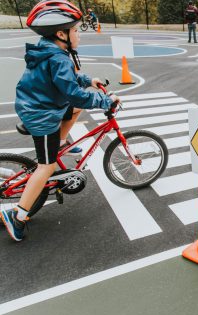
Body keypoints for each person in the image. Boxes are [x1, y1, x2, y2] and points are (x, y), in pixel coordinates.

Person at [1, 0, 119, 242]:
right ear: (61, 33)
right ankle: (18, 216)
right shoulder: (59, 58)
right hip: (41, 115)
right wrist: (105, 101)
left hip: (40, 105)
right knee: (46, 166)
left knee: (74, 109)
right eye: (75, 30)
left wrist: (88, 79)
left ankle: (61, 142)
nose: (78, 35)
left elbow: (68, 79)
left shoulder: (50, 49)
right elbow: (72, 92)